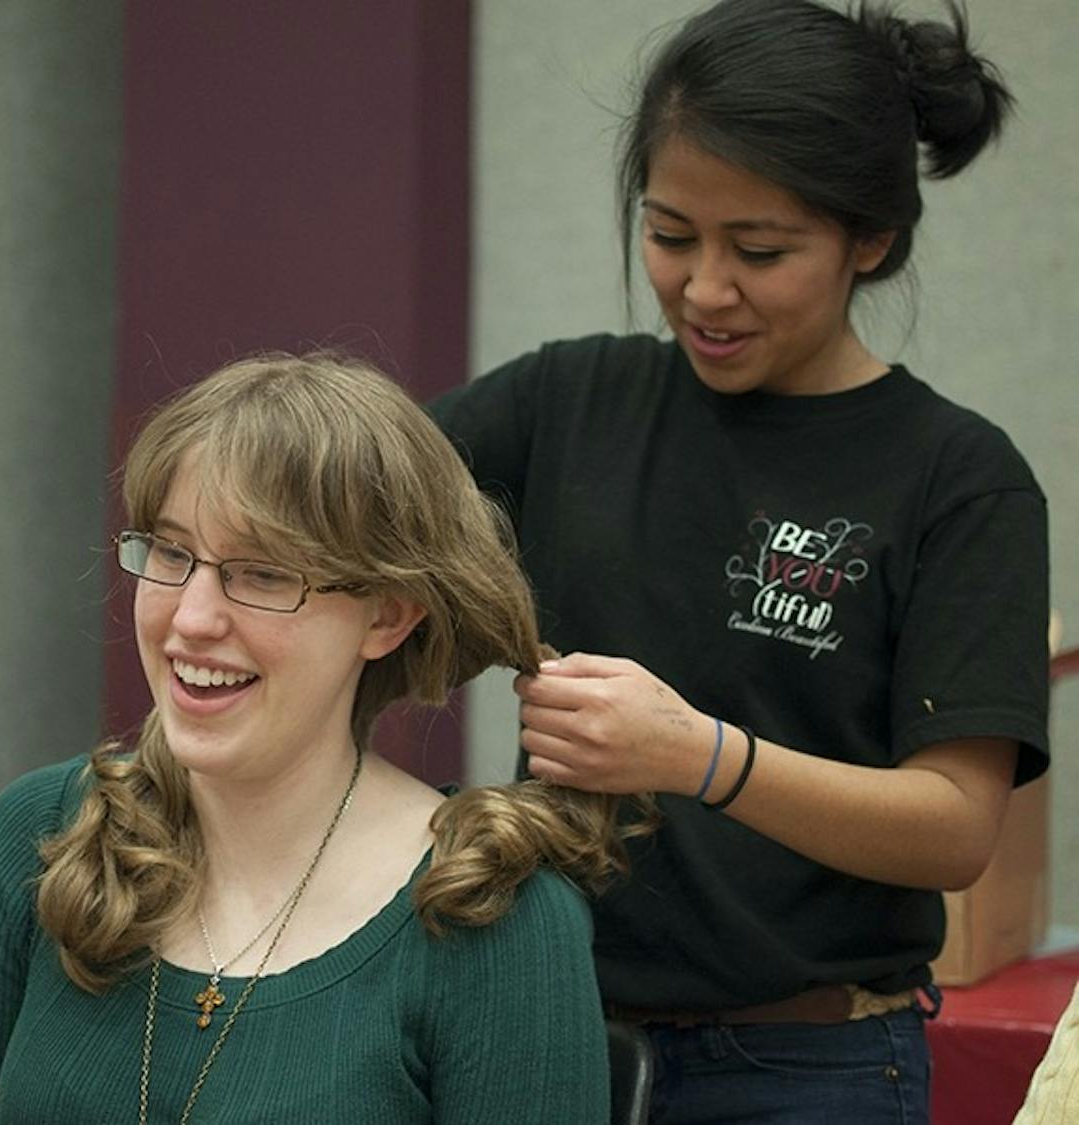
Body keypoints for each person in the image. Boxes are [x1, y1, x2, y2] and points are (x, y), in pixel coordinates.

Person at [430, 0, 1050, 1121]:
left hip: (808, 1068)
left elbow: (956, 827)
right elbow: (345, 491)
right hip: (547, 1038)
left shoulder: (960, 481)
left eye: (759, 251)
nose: (706, 289)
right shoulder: (566, 400)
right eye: (670, 236)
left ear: (871, 240)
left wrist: (699, 757)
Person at [0, 354, 645, 1123]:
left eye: (263, 574)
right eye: (173, 553)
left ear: (387, 615)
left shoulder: (494, 918)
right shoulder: (43, 833)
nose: (191, 618)